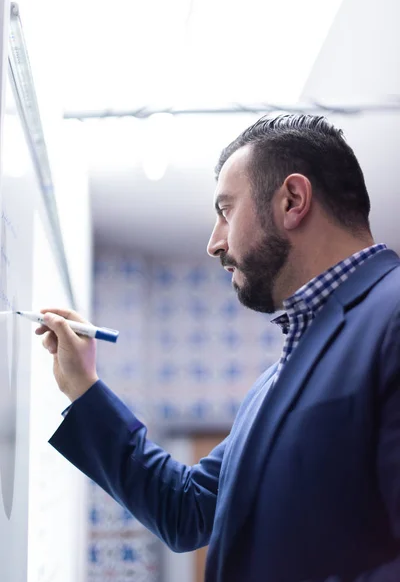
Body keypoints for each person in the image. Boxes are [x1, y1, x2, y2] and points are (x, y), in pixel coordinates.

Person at [37, 114, 400, 582]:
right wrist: (84, 389)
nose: (214, 242)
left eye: (226, 210)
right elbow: (185, 508)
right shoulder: (274, 383)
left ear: (293, 200)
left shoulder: (390, 316)